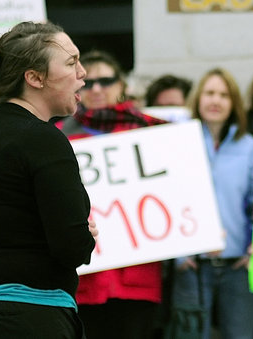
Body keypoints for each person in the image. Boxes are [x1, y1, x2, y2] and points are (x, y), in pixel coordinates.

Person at [0, 21, 97, 338]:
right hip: (27, 317)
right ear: (35, 78)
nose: (83, 73)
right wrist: (84, 234)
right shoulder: (44, 140)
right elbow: (71, 248)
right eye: (71, 63)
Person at [56, 50, 166, 338]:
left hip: (139, 273)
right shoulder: (57, 136)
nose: (97, 89)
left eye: (106, 80)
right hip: (85, 277)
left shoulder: (154, 131)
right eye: (88, 82)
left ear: (122, 85)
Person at [170, 67, 253, 339]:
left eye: (224, 95)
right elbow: (168, 197)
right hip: (192, 265)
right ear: (198, 98)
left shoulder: (247, 146)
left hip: (238, 267)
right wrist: (179, 256)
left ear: (234, 102)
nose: (216, 100)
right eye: (210, 93)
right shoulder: (177, 142)